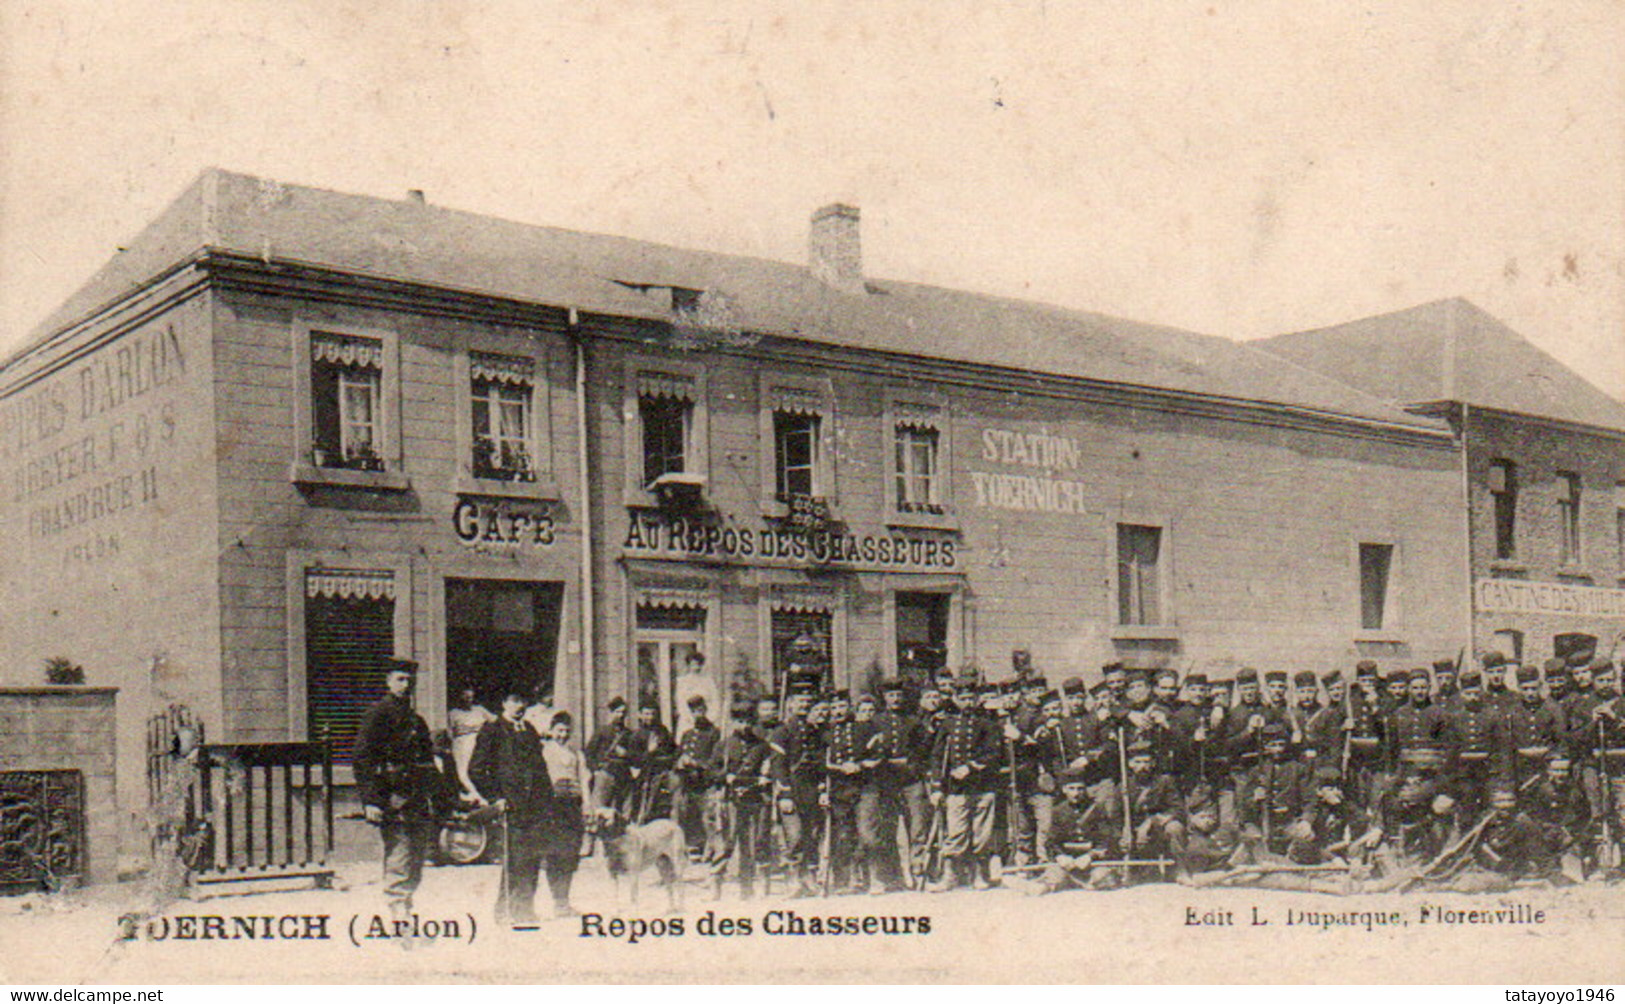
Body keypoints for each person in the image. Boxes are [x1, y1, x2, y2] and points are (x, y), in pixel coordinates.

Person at [352, 658, 437, 924]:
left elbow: (428, 763)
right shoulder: (378, 714)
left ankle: (405, 905)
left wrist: (444, 796)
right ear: (388, 682)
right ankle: (398, 910)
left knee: (417, 856)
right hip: (392, 795)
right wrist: (371, 800)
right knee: (400, 851)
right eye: (400, 679)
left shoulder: (416, 720)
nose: (406, 684)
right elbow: (363, 758)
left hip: (417, 797)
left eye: (410, 680)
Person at [468, 688, 553, 925]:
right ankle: (504, 911)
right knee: (515, 859)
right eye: (515, 700)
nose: (520, 706)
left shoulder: (530, 730)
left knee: (533, 858)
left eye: (523, 700)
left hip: (535, 805)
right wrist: (496, 797)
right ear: (504, 702)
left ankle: (524, 910)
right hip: (511, 805)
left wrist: (547, 800)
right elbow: (475, 770)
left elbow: (541, 768)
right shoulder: (493, 730)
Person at [930, 674, 1001, 891]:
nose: (968, 702)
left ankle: (979, 876)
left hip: (982, 787)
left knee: (982, 834)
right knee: (956, 833)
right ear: (956, 699)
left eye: (971, 698)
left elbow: (993, 753)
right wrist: (936, 787)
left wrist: (969, 767)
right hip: (956, 789)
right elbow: (938, 756)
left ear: (977, 699)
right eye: (963, 698)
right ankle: (949, 876)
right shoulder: (948, 724)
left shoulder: (988, 724)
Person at [715, 698, 771, 898]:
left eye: (748, 721)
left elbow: (768, 767)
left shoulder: (762, 745)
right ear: (732, 722)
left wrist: (765, 777)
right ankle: (717, 883)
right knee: (728, 841)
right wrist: (724, 776)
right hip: (732, 800)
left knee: (754, 842)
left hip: (755, 799)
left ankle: (750, 887)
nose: (744, 726)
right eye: (740, 721)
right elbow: (711, 772)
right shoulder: (724, 745)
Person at [539, 711, 590, 917]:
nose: (563, 735)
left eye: (567, 731)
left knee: (570, 854)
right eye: (559, 730)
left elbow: (584, 781)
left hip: (572, 807)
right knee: (555, 854)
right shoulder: (544, 752)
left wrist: (587, 805)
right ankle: (557, 901)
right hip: (553, 806)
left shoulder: (576, 754)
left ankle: (564, 902)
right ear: (551, 731)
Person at [674, 695, 722, 855]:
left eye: (701, 710)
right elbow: (678, 756)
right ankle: (694, 846)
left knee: (708, 816)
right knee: (688, 813)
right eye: (694, 712)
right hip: (688, 783)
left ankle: (712, 848)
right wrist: (680, 762)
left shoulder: (714, 733)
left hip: (706, 782)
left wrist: (697, 764)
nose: (698, 714)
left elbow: (716, 760)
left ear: (706, 710)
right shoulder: (687, 735)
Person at [585, 696, 634, 814]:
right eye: (617, 712)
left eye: (623, 712)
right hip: (606, 773)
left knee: (624, 811)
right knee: (598, 810)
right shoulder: (602, 731)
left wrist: (626, 754)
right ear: (611, 713)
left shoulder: (629, 734)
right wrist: (595, 770)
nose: (621, 715)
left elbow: (635, 756)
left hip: (623, 775)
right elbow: (589, 752)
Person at [447, 685, 495, 801]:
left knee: (481, 769)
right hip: (462, 743)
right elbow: (450, 732)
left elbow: (495, 720)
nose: (469, 700)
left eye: (471, 697)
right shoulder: (454, 713)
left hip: (481, 741)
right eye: (466, 697)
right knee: (464, 771)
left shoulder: (479, 710)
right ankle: (476, 796)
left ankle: (487, 795)